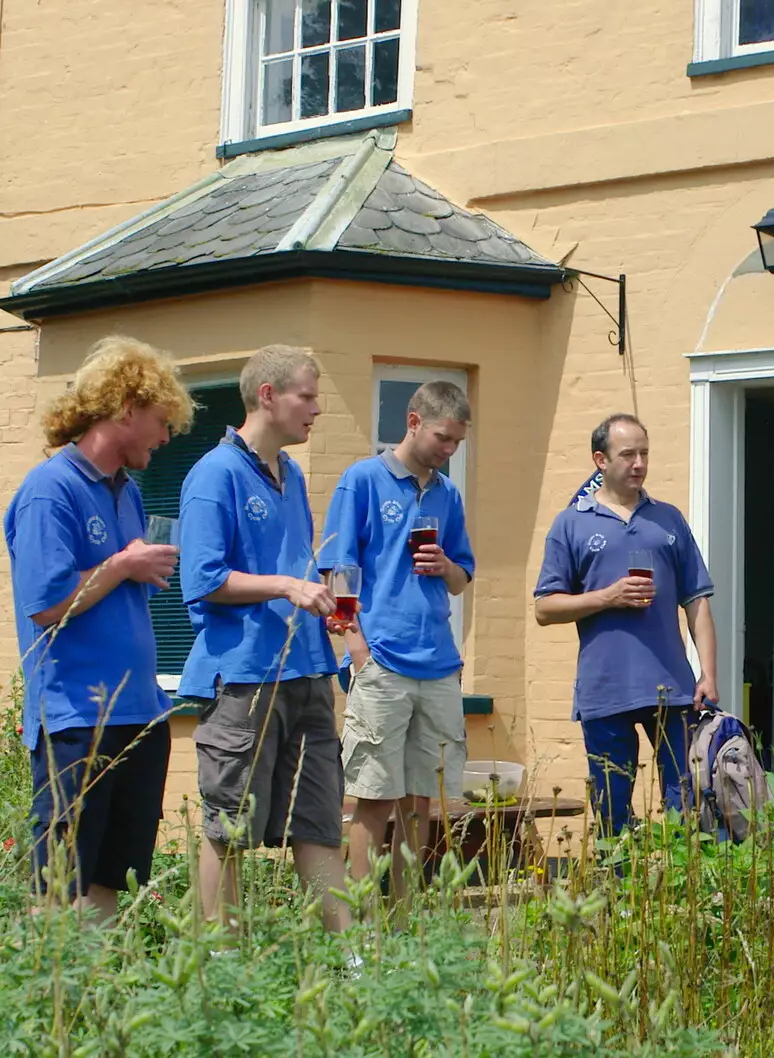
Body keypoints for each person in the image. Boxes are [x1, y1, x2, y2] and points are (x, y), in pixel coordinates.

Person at [5, 336, 193, 920]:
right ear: (126, 409)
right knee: (60, 881)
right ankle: (51, 998)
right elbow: (46, 604)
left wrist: (136, 571)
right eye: (161, 422)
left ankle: (99, 998)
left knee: (113, 874)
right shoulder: (49, 489)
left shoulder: (128, 493)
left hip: (139, 710)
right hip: (76, 715)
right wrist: (123, 565)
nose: (166, 438)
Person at [178, 344, 348, 932]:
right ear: (268, 396)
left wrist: (320, 600)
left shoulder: (293, 474)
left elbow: (295, 567)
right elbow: (202, 578)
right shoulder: (213, 474)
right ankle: (221, 963)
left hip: (307, 670)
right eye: (308, 394)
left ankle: (353, 966)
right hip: (244, 676)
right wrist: (284, 586)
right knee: (230, 828)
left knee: (319, 822)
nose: (318, 408)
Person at [320, 381, 474, 901]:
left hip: (437, 660)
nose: (449, 450)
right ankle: (361, 928)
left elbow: (461, 579)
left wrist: (446, 564)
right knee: (372, 796)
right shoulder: (362, 480)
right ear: (412, 422)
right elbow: (338, 570)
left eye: (457, 442)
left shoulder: (448, 493)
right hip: (382, 659)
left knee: (421, 799)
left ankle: (407, 920)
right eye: (442, 437)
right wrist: (356, 650)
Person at [534, 413, 719, 836]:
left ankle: (680, 896)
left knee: (687, 805)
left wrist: (708, 673)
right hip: (604, 690)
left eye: (645, 454)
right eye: (628, 454)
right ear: (600, 460)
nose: (639, 463)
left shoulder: (668, 519)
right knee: (613, 815)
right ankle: (619, 897)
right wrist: (606, 597)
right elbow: (545, 608)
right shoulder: (571, 523)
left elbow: (697, 602)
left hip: (674, 689)